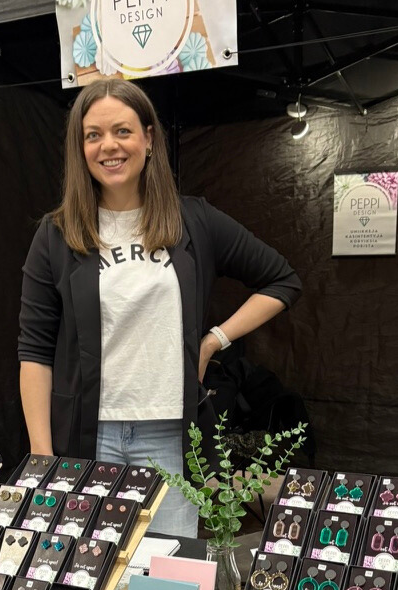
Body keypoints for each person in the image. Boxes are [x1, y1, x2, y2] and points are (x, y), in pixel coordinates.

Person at [18, 79, 301, 537]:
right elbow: (34, 350)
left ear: (148, 138)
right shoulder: (57, 234)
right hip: (88, 437)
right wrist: (41, 455)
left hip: (170, 437)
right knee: (89, 566)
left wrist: (213, 341)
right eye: (93, 135)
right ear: (80, 148)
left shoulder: (194, 221)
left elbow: (282, 280)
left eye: (122, 131)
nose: (109, 146)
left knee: (164, 568)